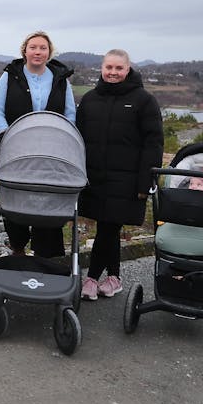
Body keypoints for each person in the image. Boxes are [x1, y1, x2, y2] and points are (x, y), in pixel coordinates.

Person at [76, 49, 163, 300]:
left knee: (108, 227)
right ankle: (114, 278)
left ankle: (91, 278)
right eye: (109, 68)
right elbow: (78, 139)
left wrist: (145, 182)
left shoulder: (143, 100)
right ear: (102, 69)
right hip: (93, 177)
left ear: (128, 69)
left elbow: (153, 144)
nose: (113, 73)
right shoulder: (90, 99)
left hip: (126, 180)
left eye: (118, 68)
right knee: (107, 227)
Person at [0, 30, 76, 258]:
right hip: (16, 151)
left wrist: (64, 143)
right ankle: (17, 246)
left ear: (49, 52)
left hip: (51, 152)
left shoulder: (60, 79)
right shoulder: (10, 76)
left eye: (43, 48)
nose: (38, 52)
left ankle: (46, 256)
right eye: (33, 47)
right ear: (24, 51)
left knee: (48, 198)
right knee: (16, 196)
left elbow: (70, 115)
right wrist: (6, 139)